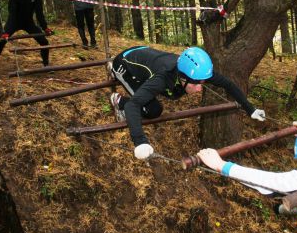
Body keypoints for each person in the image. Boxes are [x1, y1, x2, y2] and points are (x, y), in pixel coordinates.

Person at [108, 46, 266, 159]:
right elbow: (133, 105)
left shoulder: (195, 73)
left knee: (162, 97)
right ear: (183, 78)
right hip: (125, 65)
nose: (199, 89)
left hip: (143, 55)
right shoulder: (163, 78)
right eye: (196, 84)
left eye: (202, 83)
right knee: (153, 109)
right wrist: (140, 142)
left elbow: (228, 84)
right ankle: (118, 99)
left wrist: (250, 109)